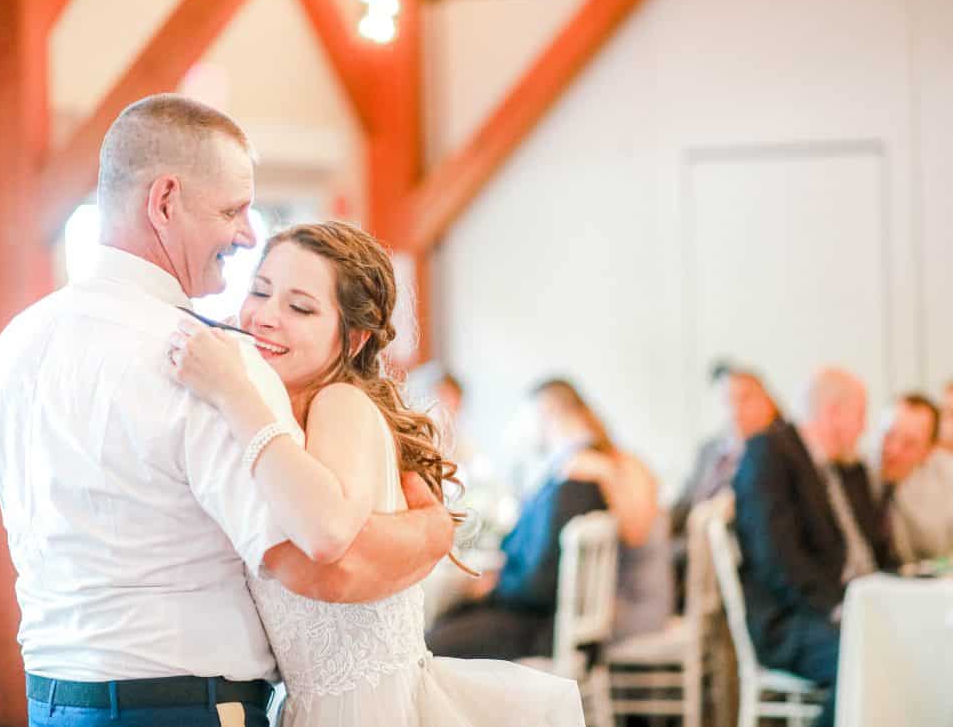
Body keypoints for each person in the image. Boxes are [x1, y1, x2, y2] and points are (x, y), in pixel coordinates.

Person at [0, 95, 454, 727]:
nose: (248, 234)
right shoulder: (206, 360)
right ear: (165, 201)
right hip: (185, 705)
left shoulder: (13, 345)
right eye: (232, 209)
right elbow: (324, 569)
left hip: (52, 700)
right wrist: (434, 528)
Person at [171, 221, 585, 727]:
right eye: (260, 292)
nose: (266, 318)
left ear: (354, 339)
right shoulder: (291, 420)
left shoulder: (341, 403)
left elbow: (325, 535)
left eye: (300, 307)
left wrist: (233, 394)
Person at [426, 379, 670, 659]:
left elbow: (543, 580)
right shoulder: (584, 465)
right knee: (448, 619)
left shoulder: (583, 473)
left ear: (547, 412)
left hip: (593, 612)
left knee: (434, 641)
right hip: (576, 606)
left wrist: (495, 586)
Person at [731, 368, 896, 727]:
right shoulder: (769, 454)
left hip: (846, 606)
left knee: (910, 645)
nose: (864, 428)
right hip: (792, 619)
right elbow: (777, 561)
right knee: (872, 657)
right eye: (860, 415)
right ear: (833, 411)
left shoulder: (840, 467)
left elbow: (874, 549)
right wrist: (840, 609)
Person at [670, 368, 780, 607]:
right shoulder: (709, 450)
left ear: (768, 404)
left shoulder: (774, 454)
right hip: (687, 544)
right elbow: (682, 504)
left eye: (745, 398)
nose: (736, 408)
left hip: (727, 554)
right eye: (729, 400)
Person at [875, 393, 953, 563]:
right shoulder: (854, 474)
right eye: (888, 434)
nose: (893, 450)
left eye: (909, 443)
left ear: (928, 451)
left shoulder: (944, 478)